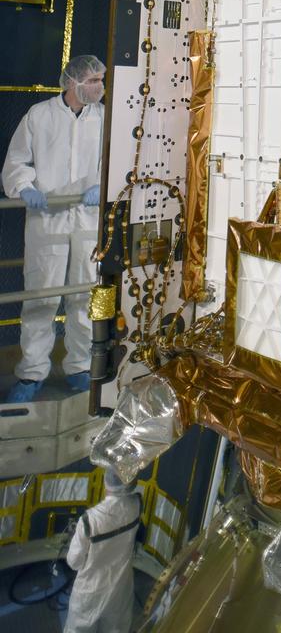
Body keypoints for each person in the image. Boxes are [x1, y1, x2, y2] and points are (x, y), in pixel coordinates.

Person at [2, 54, 105, 402]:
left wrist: (101, 187)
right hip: (47, 217)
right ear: (73, 82)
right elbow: (17, 160)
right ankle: (31, 373)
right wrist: (25, 187)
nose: (99, 87)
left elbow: (115, 161)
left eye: (100, 80)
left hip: (89, 220)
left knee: (85, 296)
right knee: (40, 297)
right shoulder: (40, 115)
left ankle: (79, 366)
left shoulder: (105, 118)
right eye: (93, 81)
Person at [65, 468, 140, 633]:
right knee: (116, 628)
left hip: (90, 591)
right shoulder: (136, 504)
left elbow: (74, 562)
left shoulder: (88, 520)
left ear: (105, 481)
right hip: (120, 586)